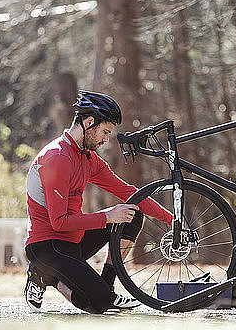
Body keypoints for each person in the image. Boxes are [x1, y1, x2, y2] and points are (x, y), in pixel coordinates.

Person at [23, 90, 172, 314]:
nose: (106, 139)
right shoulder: (57, 158)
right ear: (89, 122)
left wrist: (172, 220)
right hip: (47, 245)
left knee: (132, 212)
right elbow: (59, 223)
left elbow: (129, 192)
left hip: (74, 243)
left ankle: (107, 287)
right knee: (99, 304)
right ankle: (43, 273)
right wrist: (107, 216)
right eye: (105, 132)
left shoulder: (87, 158)